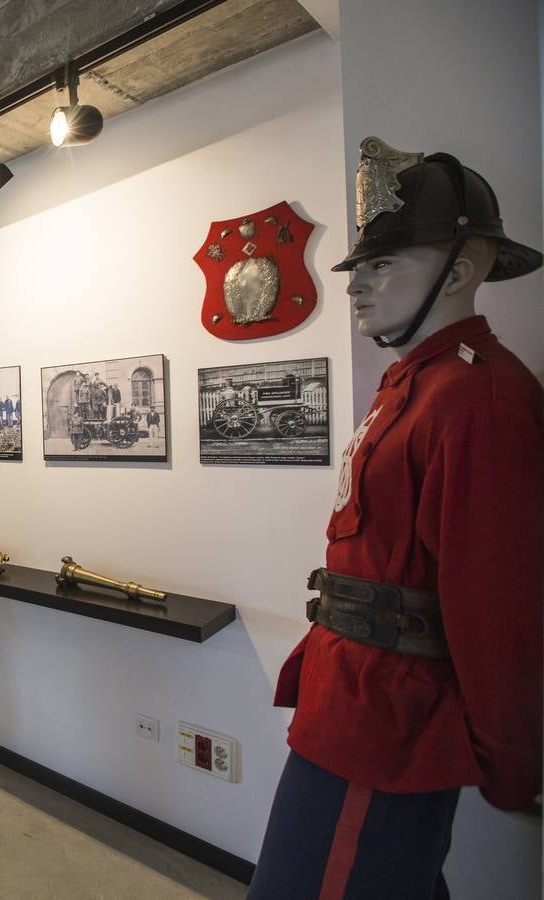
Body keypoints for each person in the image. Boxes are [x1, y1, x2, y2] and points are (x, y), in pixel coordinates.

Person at [248, 138, 543, 898]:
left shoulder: (479, 399)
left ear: (465, 267)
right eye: (360, 267)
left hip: (389, 721)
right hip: (352, 701)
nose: (357, 286)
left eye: (386, 263)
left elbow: (495, 600)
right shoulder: (415, 384)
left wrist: (513, 759)